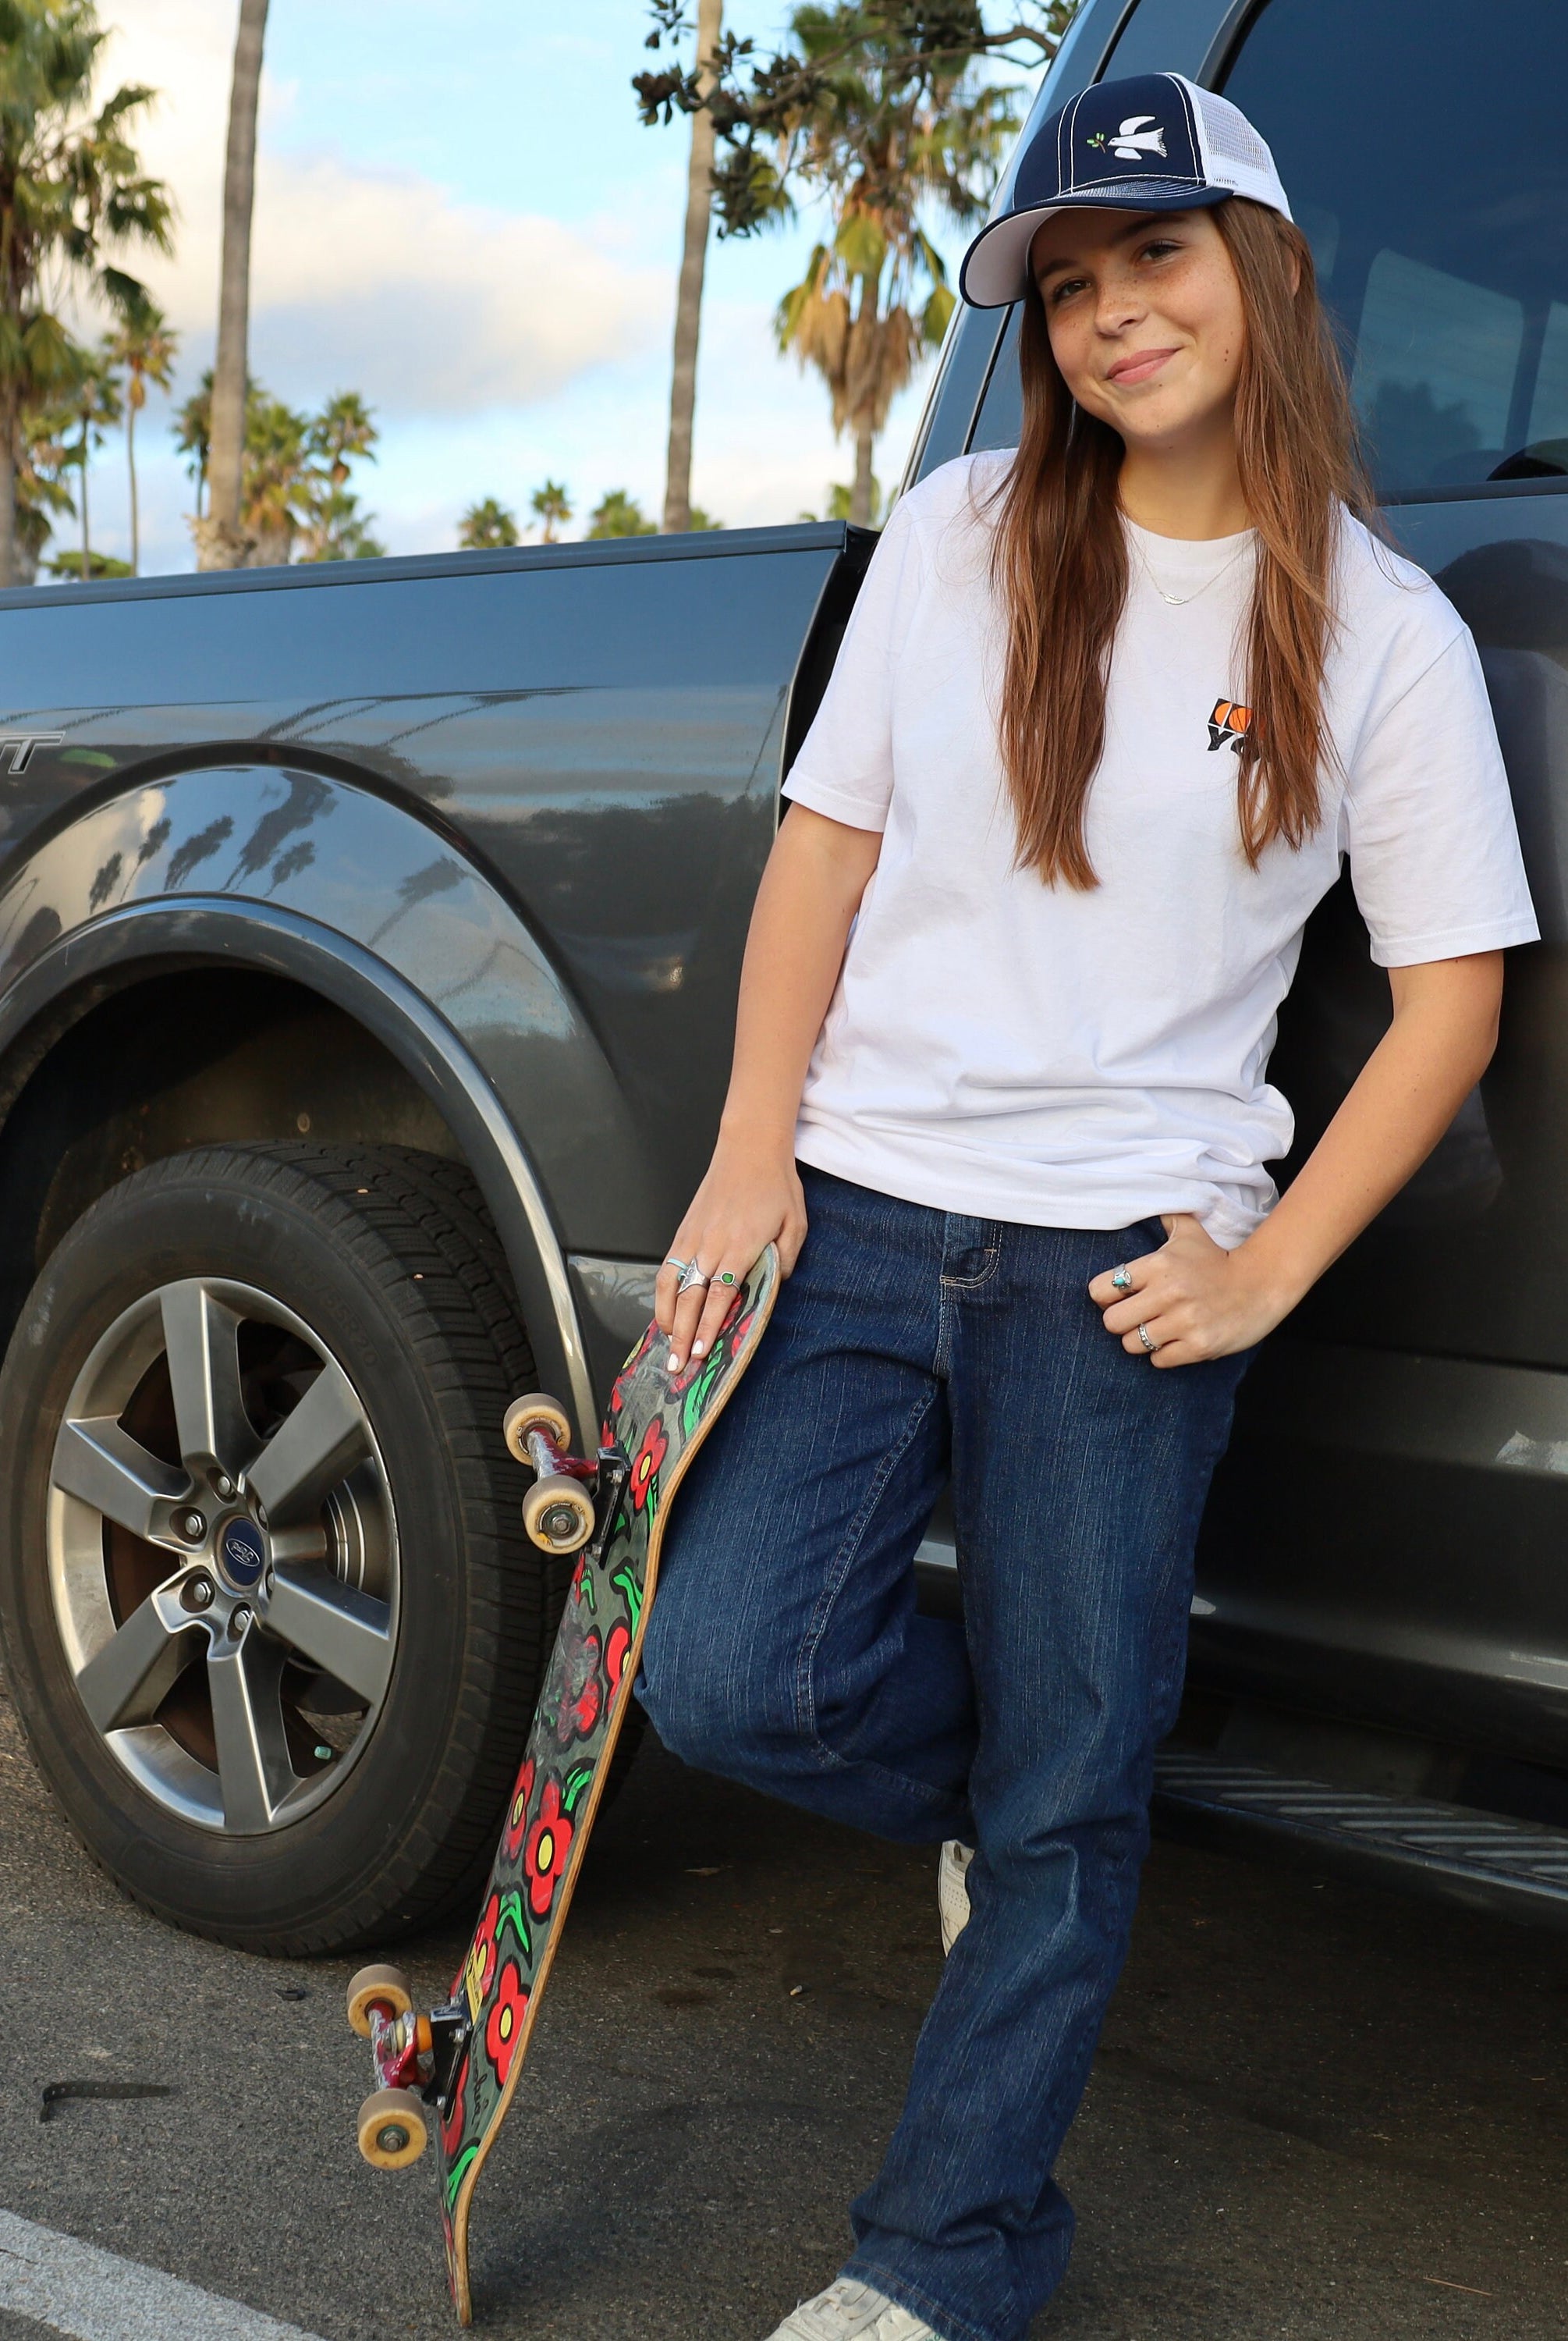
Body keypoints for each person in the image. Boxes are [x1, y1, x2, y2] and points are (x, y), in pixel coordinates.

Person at [635, 69, 1538, 2341]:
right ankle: (1038, 1814)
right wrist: (752, 1161)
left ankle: (940, 2258)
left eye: (1151, 255)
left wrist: (1257, 1276)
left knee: (1066, 1795)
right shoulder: (954, 538)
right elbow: (819, 862)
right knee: (731, 1679)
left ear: (1262, 269)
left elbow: (1447, 1007)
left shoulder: (1382, 638)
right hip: (855, 1211)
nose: (1110, 314)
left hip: (1118, 1270)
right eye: (1063, 285)